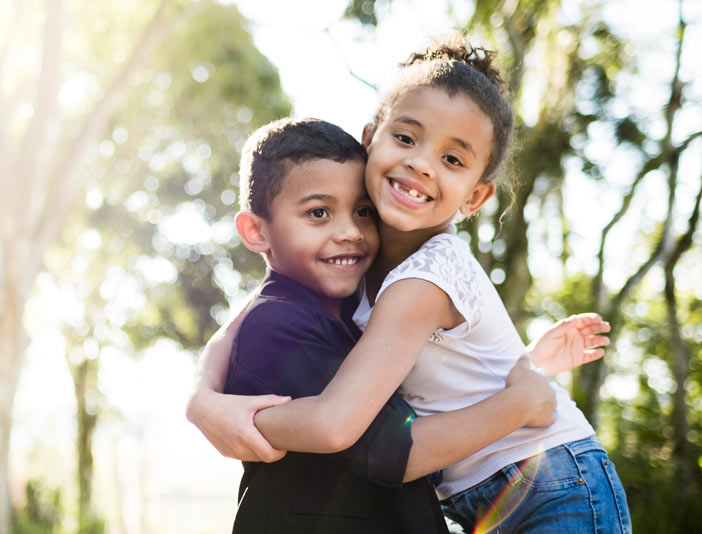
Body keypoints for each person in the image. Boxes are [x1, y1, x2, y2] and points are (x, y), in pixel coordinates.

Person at [190, 36, 631, 533]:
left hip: (553, 486)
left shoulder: (424, 279)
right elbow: (247, 317)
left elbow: (339, 424)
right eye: (406, 138)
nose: (422, 163)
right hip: (490, 494)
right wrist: (202, 399)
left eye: (453, 160)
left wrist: (245, 420)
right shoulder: (356, 258)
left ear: (476, 196)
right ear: (370, 137)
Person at [204, 116, 567, 534]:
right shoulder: (276, 323)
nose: (349, 233)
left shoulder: (351, 307)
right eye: (318, 213)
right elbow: (388, 450)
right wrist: (521, 402)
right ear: (256, 231)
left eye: (363, 212)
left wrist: (519, 364)